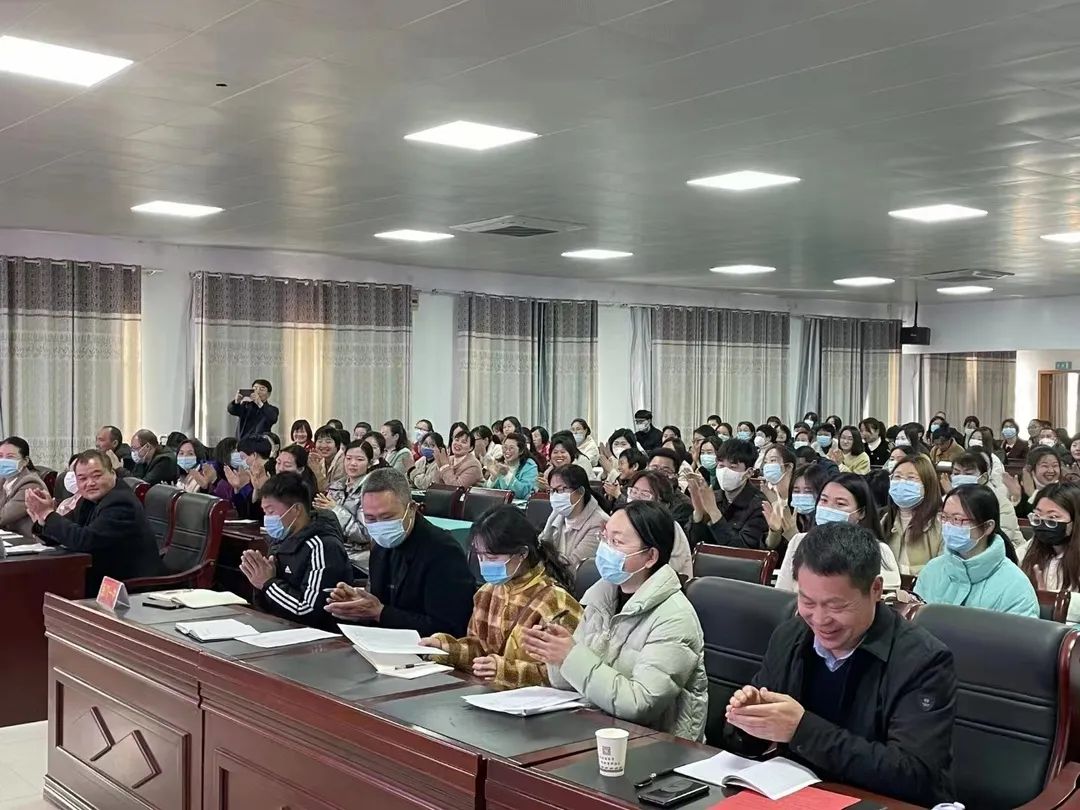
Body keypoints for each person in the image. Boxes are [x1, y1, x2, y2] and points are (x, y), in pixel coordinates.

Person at [724, 522, 956, 806]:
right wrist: (749, 722)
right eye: (808, 602)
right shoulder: (791, 636)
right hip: (796, 795)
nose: (820, 620)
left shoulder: (923, 660)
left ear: (875, 589)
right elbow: (748, 743)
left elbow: (914, 776)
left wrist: (802, 730)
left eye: (836, 606)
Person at [526, 501, 708, 740]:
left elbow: (640, 704)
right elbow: (571, 685)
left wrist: (572, 657)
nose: (605, 549)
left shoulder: (674, 618)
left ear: (650, 556)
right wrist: (557, 655)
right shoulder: (601, 597)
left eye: (617, 542)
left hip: (657, 742)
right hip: (598, 729)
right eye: (605, 538)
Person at [420, 507, 583, 689]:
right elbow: (479, 648)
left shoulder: (556, 603)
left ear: (522, 554)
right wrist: (446, 648)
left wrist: (505, 671)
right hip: (490, 694)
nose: (484, 564)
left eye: (492, 557)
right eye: (480, 556)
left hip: (534, 701)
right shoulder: (487, 593)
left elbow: (565, 674)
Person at [325, 468, 476, 636]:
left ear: (411, 508)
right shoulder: (380, 545)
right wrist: (357, 606)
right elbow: (379, 602)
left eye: (387, 517)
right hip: (382, 641)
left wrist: (380, 613)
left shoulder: (443, 551)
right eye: (370, 518)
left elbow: (449, 627)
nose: (379, 526)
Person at [25, 450, 161, 592]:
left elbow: (84, 541)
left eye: (96, 476)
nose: (90, 483)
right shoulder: (89, 500)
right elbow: (68, 530)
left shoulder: (121, 503)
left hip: (127, 586)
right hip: (99, 577)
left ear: (113, 474)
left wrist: (48, 514)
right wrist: (42, 520)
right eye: (82, 479)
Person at [239, 472, 351, 630]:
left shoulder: (324, 546)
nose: (268, 519)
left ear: (297, 509)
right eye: (265, 513)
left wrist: (267, 584)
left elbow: (308, 610)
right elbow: (269, 601)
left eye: (271, 512)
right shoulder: (280, 541)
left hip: (319, 635)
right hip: (281, 627)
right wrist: (259, 582)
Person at [914, 485, 1037, 617]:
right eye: (944, 517)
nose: (948, 526)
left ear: (987, 526)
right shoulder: (932, 570)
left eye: (957, 519)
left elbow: (1021, 629)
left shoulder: (1015, 585)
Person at [775, 473, 901, 592]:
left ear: (861, 513)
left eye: (840, 504)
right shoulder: (798, 541)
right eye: (824, 500)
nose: (828, 508)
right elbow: (782, 594)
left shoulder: (879, 551)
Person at [686, 438, 768, 549]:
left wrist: (714, 512)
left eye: (732, 467)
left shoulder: (758, 505)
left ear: (749, 472)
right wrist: (699, 513)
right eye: (721, 466)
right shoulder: (715, 496)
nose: (725, 472)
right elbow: (693, 545)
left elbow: (744, 551)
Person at [1020, 483, 1080, 623]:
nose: (1043, 523)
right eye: (1038, 515)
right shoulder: (1031, 547)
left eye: (1053, 517)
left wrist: (1050, 599)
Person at [942, 451, 1024, 548]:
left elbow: (998, 540)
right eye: (956, 473)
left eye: (968, 474)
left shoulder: (1001, 502)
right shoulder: (947, 500)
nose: (961, 477)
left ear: (983, 477)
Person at [619, 470, 693, 578]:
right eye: (634, 491)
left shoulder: (670, 528)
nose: (636, 498)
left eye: (645, 495)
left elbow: (668, 572)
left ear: (663, 504)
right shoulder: (624, 521)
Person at [312, 440, 374, 565]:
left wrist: (335, 510)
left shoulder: (372, 490)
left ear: (370, 463)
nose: (353, 463)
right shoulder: (336, 486)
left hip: (357, 557)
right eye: (348, 458)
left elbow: (364, 534)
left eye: (360, 459)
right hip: (332, 549)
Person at [883, 454, 943, 576]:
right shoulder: (884, 520)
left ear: (927, 484)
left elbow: (943, 571)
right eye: (897, 477)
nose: (902, 483)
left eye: (911, 478)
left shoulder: (941, 525)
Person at [539, 463, 608, 568]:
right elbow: (540, 548)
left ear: (580, 491)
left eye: (561, 490)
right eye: (552, 490)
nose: (555, 495)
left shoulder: (599, 523)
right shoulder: (557, 514)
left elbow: (573, 567)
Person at [764, 461, 831, 552]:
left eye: (808, 491)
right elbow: (772, 550)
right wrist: (775, 531)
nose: (801, 495)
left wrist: (794, 536)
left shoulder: (826, 521)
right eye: (796, 491)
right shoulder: (788, 514)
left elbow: (820, 557)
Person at [0, 437, 47, 536]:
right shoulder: (3, 480)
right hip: (7, 536)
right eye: (0, 456)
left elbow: (2, 517)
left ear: (25, 461)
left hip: (27, 540)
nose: (3, 461)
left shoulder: (31, 484)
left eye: (10, 457)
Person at [1005, 446, 1063, 519]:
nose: (1051, 471)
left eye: (1055, 466)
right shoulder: (1018, 485)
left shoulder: (1064, 488)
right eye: (1045, 466)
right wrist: (1016, 498)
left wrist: (1032, 494)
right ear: (1031, 468)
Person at [482, 432, 539, 498]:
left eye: (511, 448)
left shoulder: (529, 466)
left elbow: (523, 492)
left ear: (521, 451)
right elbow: (486, 492)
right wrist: (493, 476)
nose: (507, 451)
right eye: (505, 447)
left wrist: (507, 474)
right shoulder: (500, 463)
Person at [311, 425, 346, 490]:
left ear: (337, 445)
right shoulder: (322, 460)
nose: (323, 445)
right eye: (320, 441)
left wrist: (316, 471)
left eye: (328, 442)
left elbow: (331, 491)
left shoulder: (343, 462)